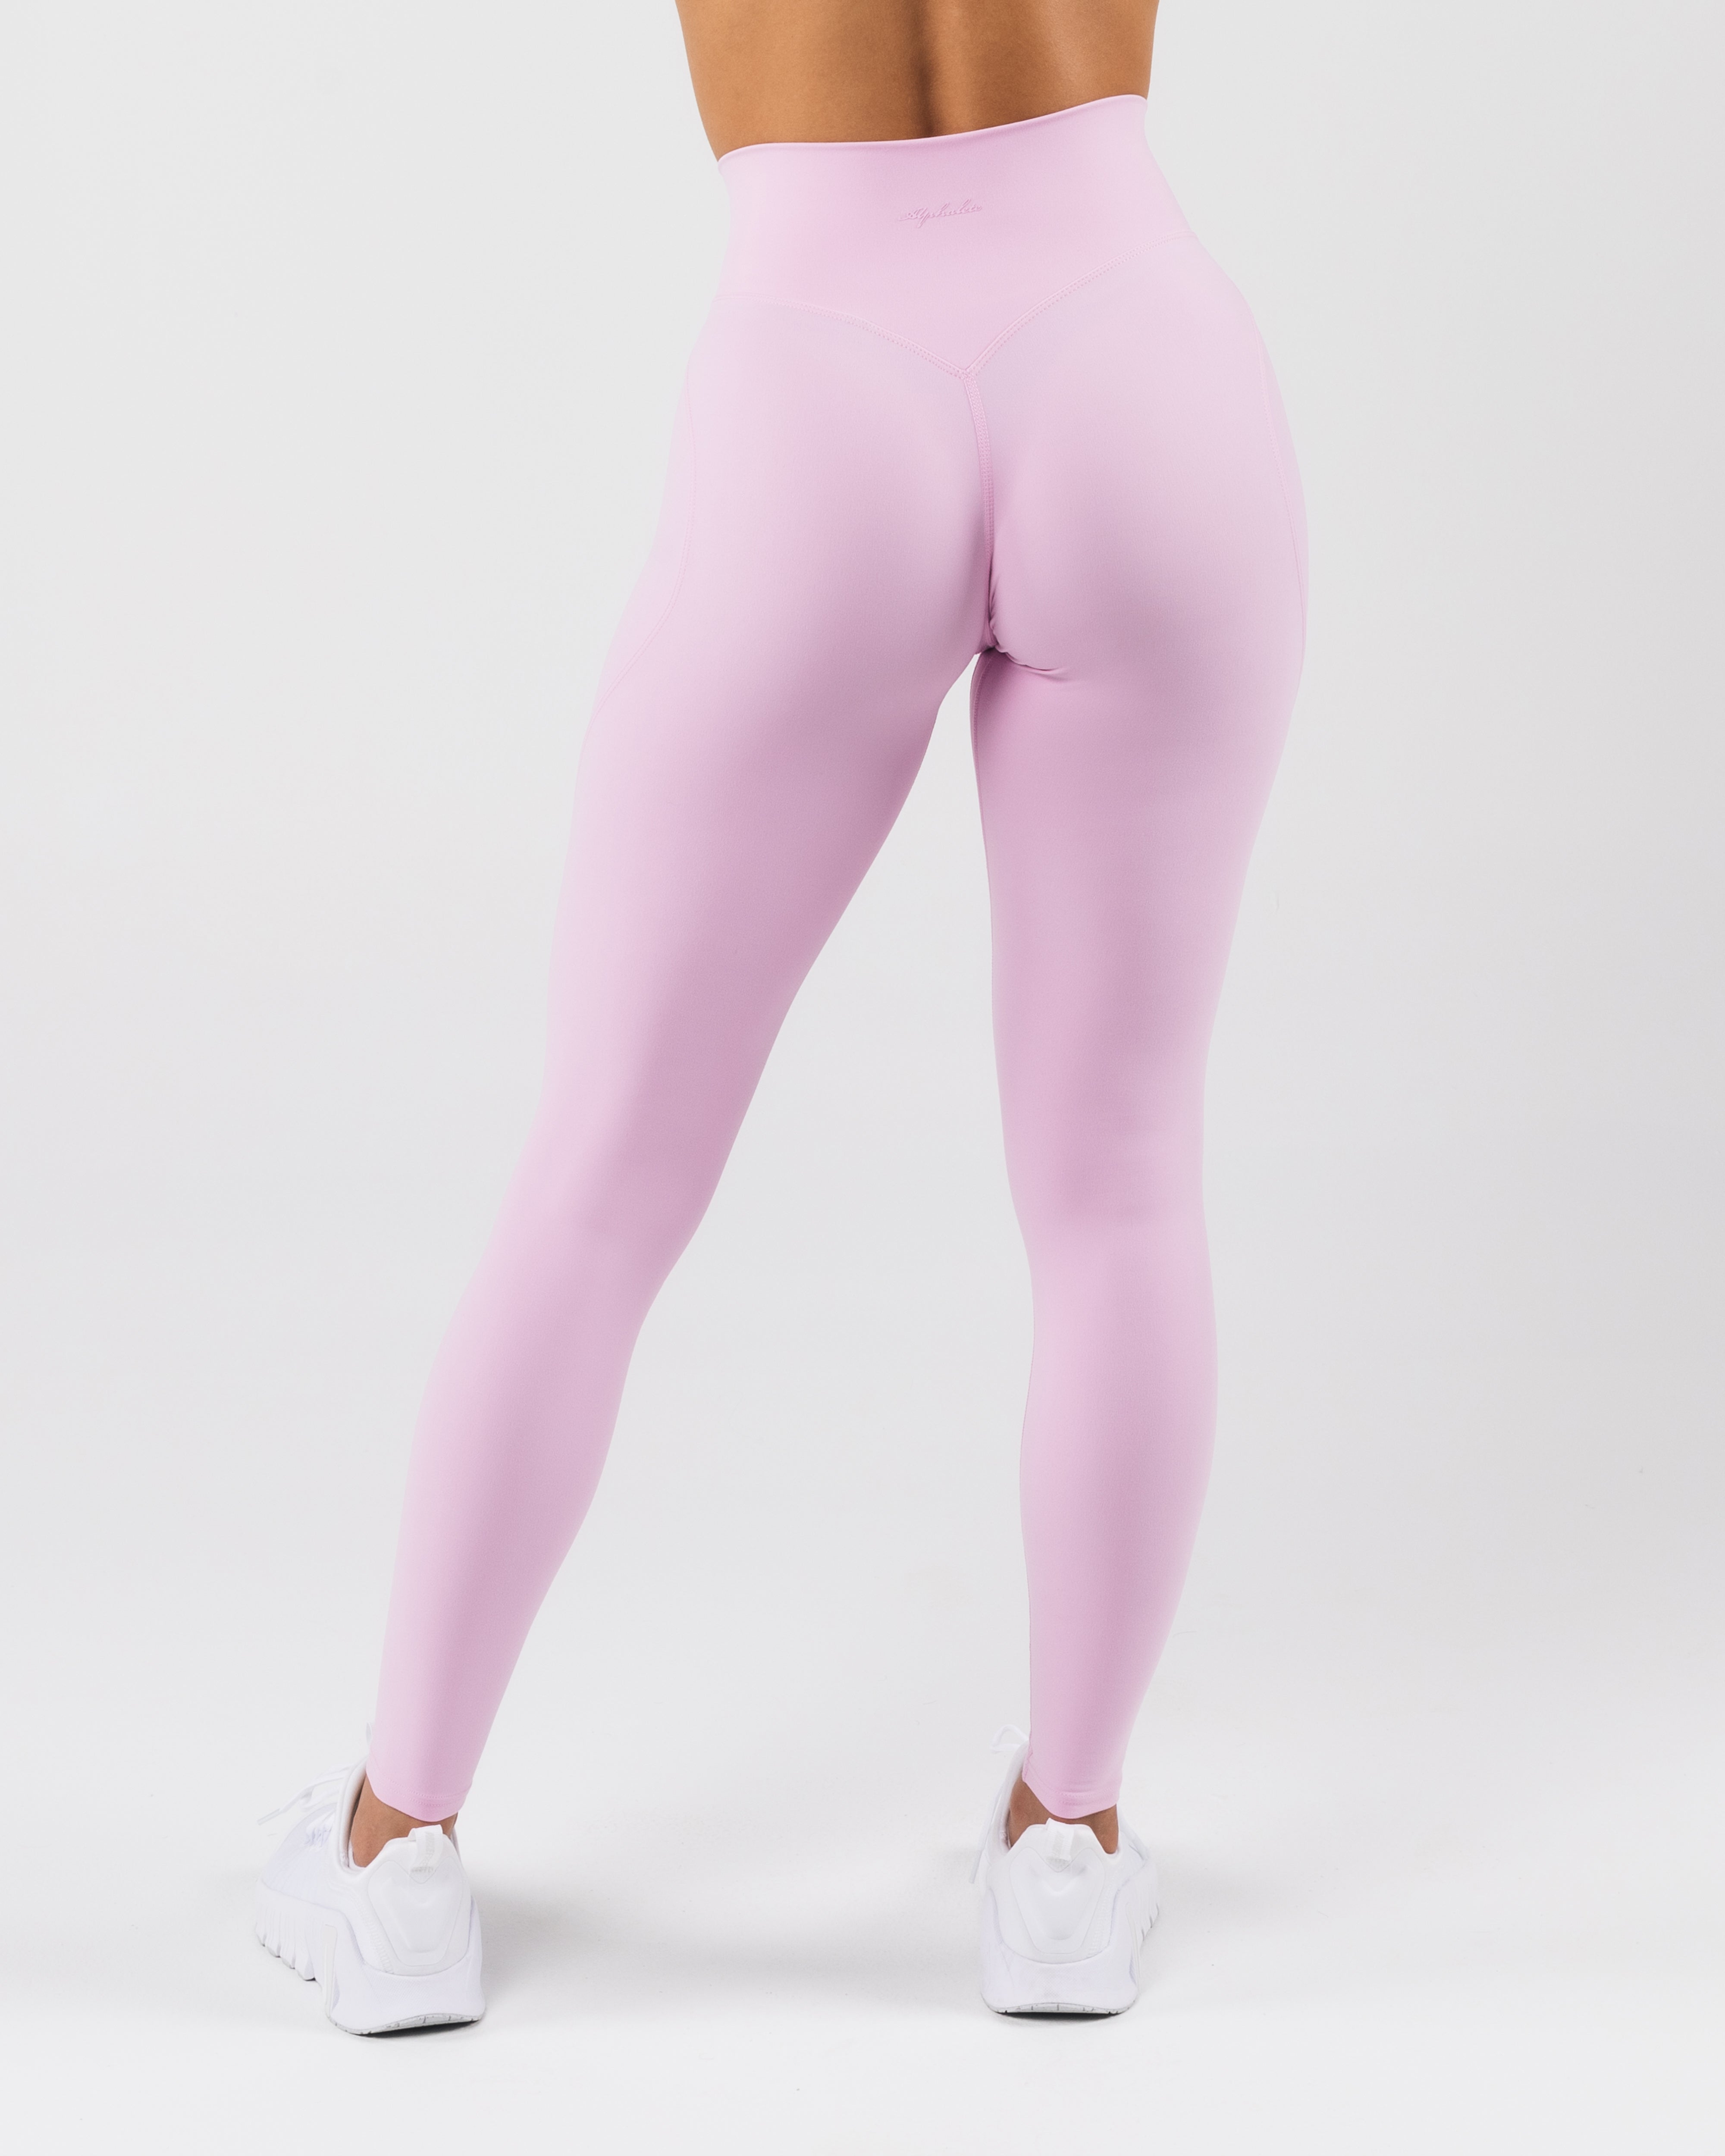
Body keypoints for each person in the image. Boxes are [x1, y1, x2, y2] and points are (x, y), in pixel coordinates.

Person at [256, 0, 1307, 2031]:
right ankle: (1069, 1848)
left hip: (821, 380)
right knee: (1120, 1179)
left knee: (600, 1175)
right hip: (1145, 360)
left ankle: (394, 1853)